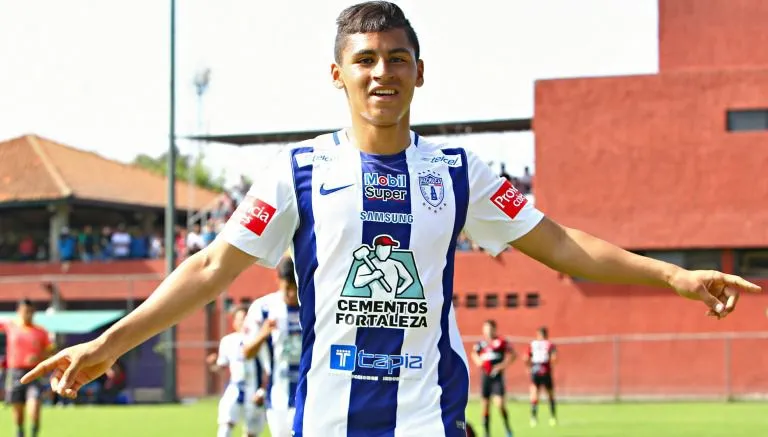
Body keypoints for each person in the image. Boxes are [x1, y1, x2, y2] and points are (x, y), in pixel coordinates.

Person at [22, 2, 761, 437]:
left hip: (431, 422)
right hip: (328, 423)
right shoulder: (298, 172)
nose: (383, 72)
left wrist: (673, 273)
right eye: (367, 59)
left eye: (398, 58)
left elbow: (562, 245)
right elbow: (211, 267)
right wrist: (109, 339)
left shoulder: (460, 173)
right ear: (338, 73)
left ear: (420, 70)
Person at [242, 257, 301, 437]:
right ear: (278, 281)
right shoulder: (264, 308)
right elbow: (247, 352)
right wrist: (263, 334)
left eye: (295, 289)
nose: (292, 294)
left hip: (310, 391)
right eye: (287, 289)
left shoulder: (312, 303)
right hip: (278, 395)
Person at [206, 305, 266, 437]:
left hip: (254, 389)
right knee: (225, 423)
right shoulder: (228, 341)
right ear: (234, 322)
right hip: (235, 387)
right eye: (240, 319)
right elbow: (221, 367)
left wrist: (262, 391)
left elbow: (268, 368)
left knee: (251, 432)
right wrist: (212, 365)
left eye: (245, 318)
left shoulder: (259, 339)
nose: (243, 322)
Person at [1, 299, 54, 437]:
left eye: (31, 311)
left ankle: (34, 431)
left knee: (34, 407)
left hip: (34, 372)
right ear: (18, 312)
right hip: (14, 373)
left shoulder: (40, 331)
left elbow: (51, 350)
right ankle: (20, 432)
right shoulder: (10, 326)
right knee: (18, 411)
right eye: (25, 311)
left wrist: (39, 356)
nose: (28, 314)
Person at [471, 320, 515, 437]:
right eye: (485, 328)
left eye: (490, 328)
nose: (487, 331)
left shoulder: (501, 342)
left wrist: (501, 366)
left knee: (500, 404)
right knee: (485, 406)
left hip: (497, 377)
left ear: (494, 329)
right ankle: (487, 433)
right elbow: (474, 353)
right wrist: (479, 361)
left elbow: (513, 355)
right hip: (486, 377)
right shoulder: (481, 343)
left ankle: (507, 428)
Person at [525, 326, 557, 427]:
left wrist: (529, 367)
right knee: (547, 395)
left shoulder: (534, 344)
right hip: (544, 371)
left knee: (537, 395)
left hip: (537, 371)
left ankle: (534, 418)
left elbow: (526, 358)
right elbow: (554, 358)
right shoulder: (549, 344)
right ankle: (551, 417)